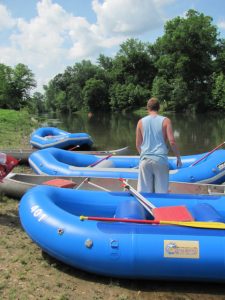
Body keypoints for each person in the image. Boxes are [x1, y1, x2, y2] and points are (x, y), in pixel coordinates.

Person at [136, 97, 182, 193]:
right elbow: (172, 141)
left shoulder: (140, 122)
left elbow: (138, 144)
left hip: (145, 160)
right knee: (161, 193)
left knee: (144, 194)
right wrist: (178, 157)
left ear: (147, 108)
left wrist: (143, 155)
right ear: (159, 108)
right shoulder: (166, 121)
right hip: (160, 160)